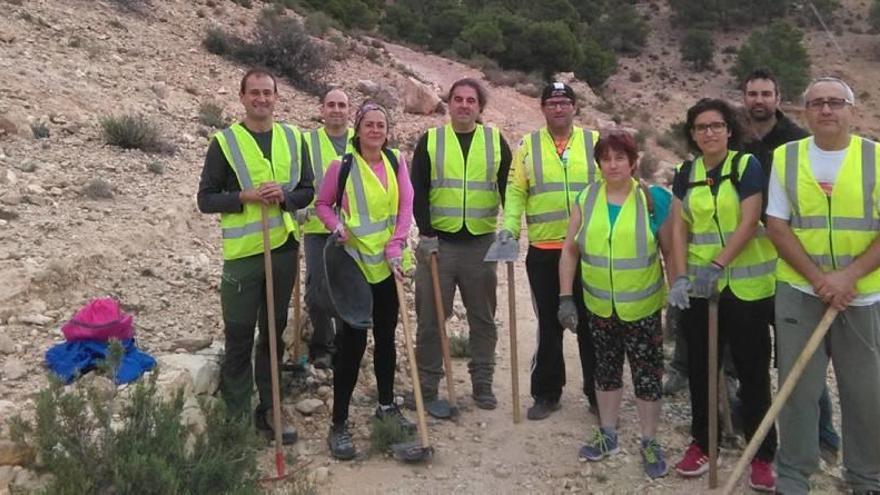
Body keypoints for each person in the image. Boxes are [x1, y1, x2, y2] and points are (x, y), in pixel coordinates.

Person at [766, 76, 880, 495]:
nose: (826, 110)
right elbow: (777, 225)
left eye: (835, 102)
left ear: (852, 109)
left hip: (863, 294)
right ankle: (795, 474)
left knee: (864, 391)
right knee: (797, 386)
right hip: (801, 291)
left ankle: (866, 477)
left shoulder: (876, 157)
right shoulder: (786, 157)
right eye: (817, 103)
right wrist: (819, 280)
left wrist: (848, 278)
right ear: (805, 111)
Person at [196, 69, 314, 444]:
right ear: (243, 97)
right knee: (239, 334)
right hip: (244, 255)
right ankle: (235, 416)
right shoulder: (225, 142)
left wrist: (285, 196)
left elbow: (307, 190)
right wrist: (244, 197)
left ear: (277, 97)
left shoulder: (295, 138)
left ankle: (270, 407)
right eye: (255, 93)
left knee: (273, 332)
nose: (262, 99)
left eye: (268, 93)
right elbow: (206, 199)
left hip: (282, 250)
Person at [666, 98, 777, 491]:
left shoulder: (746, 167)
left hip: (746, 287)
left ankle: (761, 454)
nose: (709, 133)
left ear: (729, 130)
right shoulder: (686, 172)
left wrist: (718, 265)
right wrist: (680, 277)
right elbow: (679, 227)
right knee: (701, 368)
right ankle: (703, 442)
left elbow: (750, 221)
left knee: (752, 371)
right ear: (692, 134)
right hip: (698, 287)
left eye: (716, 126)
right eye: (701, 127)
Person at [741, 68, 841, 464]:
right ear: (744, 98)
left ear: (778, 97)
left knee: (800, 355)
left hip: (793, 261)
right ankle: (747, 422)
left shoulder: (799, 142)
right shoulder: (736, 139)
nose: (759, 100)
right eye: (752, 93)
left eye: (766, 93)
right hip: (747, 263)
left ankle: (823, 435)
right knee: (746, 352)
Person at [558, 130, 672, 478]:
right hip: (599, 306)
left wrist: (680, 292)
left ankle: (649, 439)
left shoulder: (652, 199)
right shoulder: (587, 197)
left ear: (633, 161)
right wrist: (565, 297)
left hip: (642, 307)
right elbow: (570, 249)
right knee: (605, 371)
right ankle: (607, 432)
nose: (613, 164)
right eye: (606, 158)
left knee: (647, 375)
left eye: (620, 157)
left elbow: (670, 250)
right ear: (599, 164)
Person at [314, 101, 416, 460]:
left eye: (381, 125)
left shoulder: (396, 162)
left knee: (387, 340)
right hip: (354, 266)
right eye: (369, 125)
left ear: (388, 130)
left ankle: (386, 405)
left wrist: (397, 244)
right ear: (358, 129)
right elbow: (323, 205)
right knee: (352, 346)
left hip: (387, 267)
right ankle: (339, 423)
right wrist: (336, 226)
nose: (375, 130)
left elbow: (406, 209)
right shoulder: (340, 167)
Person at [410, 78, 512, 412]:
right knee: (430, 319)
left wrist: (510, 230)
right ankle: (427, 385)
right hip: (438, 245)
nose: (464, 105)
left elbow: (511, 190)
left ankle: (482, 382)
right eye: (458, 99)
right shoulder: (431, 140)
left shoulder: (496, 141)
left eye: (471, 100)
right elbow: (418, 191)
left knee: (482, 318)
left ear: (480, 107)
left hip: (481, 246)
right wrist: (425, 234)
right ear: (449, 103)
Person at [500, 81, 599, 420]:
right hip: (544, 249)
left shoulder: (594, 143)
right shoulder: (527, 146)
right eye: (552, 102)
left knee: (590, 323)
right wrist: (510, 231)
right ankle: (546, 392)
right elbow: (515, 192)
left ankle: (598, 393)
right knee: (549, 323)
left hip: (589, 250)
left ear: (575, 107)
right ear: (542, 108)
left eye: (565, 102)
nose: (559, 108)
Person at [298, 88, 354, 369]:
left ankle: (348, 344)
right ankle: (322, 345)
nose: (336, 110)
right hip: (318, 227)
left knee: (350, 286)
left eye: (341, 105)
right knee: (317, 287)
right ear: (322, 110)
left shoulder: (362, 140)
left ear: (349, 110)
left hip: (355, 230)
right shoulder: (307, 142)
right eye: (330, 105)